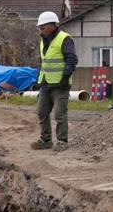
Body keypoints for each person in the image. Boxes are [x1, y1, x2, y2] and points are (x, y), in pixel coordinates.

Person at [31, 11, 78, 152]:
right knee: (41, 112)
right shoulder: (42, 41)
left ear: (52, 25)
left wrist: (65, 77)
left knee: (59, 114)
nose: (41, 30)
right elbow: (44, 62)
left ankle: (62, 141)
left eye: (43, 27)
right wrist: (39, 80)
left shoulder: (64, 39)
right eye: (40, 27)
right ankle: (46, 140)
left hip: (60, 84)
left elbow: (72, 60)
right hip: (46, 83)